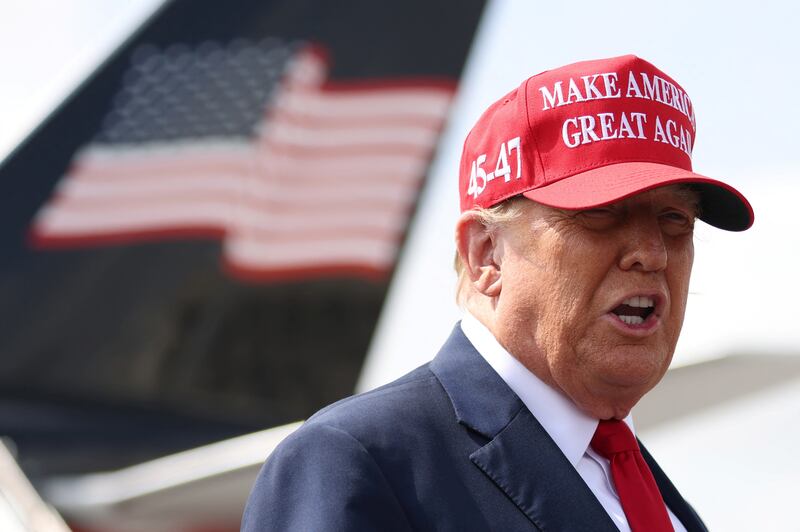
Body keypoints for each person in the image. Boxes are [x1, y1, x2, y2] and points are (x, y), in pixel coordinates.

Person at [241, 55, 753, 531]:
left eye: (675, 219)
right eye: (600, 213)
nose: (652, 253)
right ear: (486, 253)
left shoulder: (643, 487)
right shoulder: (356, 460)